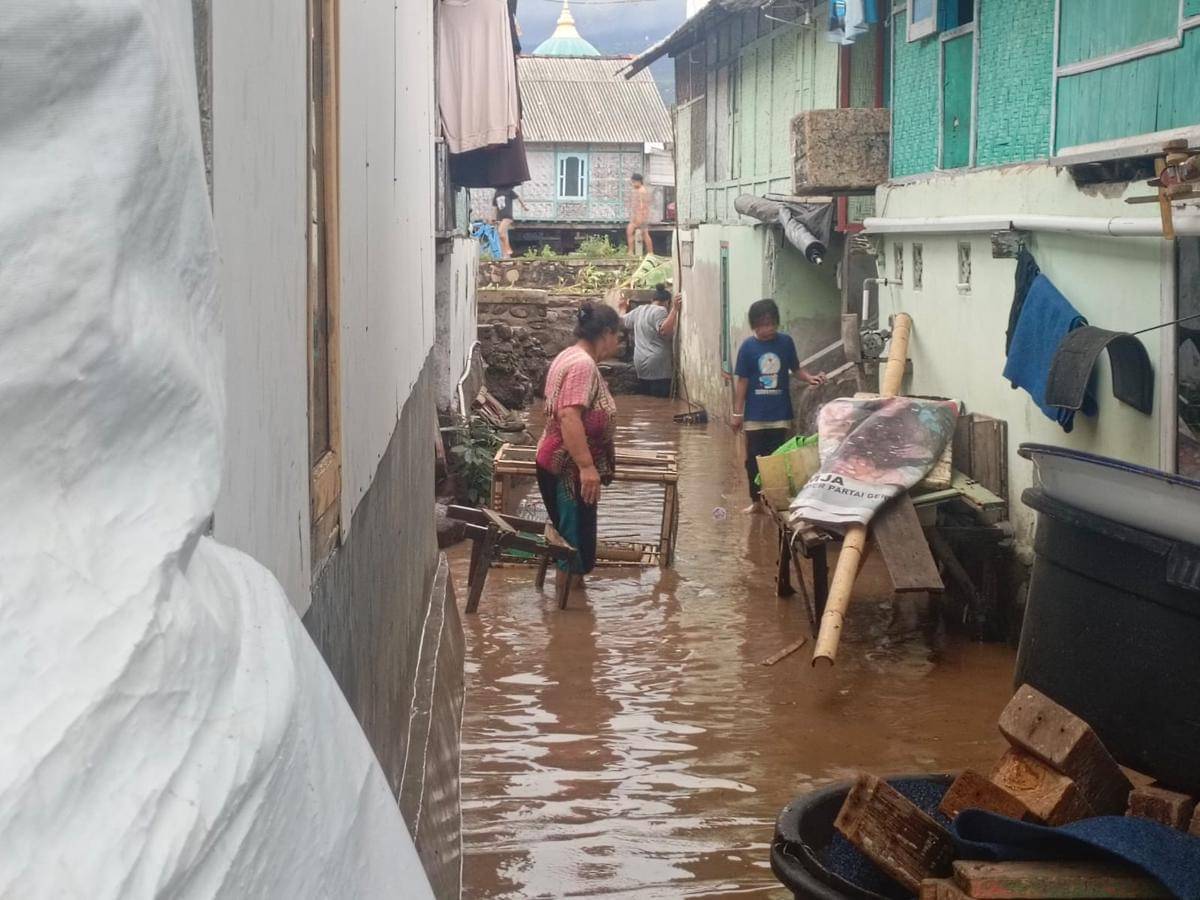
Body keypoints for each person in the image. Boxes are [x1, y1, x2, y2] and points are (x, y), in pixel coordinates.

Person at [535, 301, 623, 593]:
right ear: (606, 333)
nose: (618, 343)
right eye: (617, 337)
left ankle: (573, 616)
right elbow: (568, 415)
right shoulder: (583, 365)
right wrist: (586, 467)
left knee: (573, 543)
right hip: (568, 473)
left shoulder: (569, 355)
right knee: (573, 549)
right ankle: (569, 624)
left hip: (560, 464)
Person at [731, 298, 826, 513]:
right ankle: (756, 502)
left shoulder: (785, 342)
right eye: (764, 324)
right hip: (755, 416)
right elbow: (742, 382)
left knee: (778, 459)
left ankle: (774, 500)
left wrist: (809, 378)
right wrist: (737, 413)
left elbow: (796, 369)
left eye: (772, 323)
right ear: (754, 325)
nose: (769, 329)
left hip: (780, 413)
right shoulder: (747, 348)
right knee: (754, 460)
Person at [619, 284, 681, 398]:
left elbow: (621, 321)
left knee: (646, 401)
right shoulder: (661, 311)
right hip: (658, 366)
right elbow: (664, 330)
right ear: (667, 302)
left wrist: (622, 308)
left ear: (652, 300)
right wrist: (675, 310)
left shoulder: (639, 310)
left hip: (640, 363)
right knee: (660, 405)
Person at [492, 186, 526, 259]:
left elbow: (518, 197)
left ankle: (508, 250)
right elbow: (495, 206)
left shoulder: (509, 190)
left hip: (508, 216)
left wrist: (524, 206)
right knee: (504, 235)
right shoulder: (497, 193)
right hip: (500, 217)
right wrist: (493, 217)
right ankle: (506, 255)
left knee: (500, 232)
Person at [626, 173, 654, 256]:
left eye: (633, 182)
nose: (632, 184)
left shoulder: (642, 191)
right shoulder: (637, 190)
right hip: (635, 217)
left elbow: (644, 206)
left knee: (644, 234)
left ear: (638, 181)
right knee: (629, 231)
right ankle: (630, 252)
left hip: (641, 217)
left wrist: (642, 218)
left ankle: (650, 252)